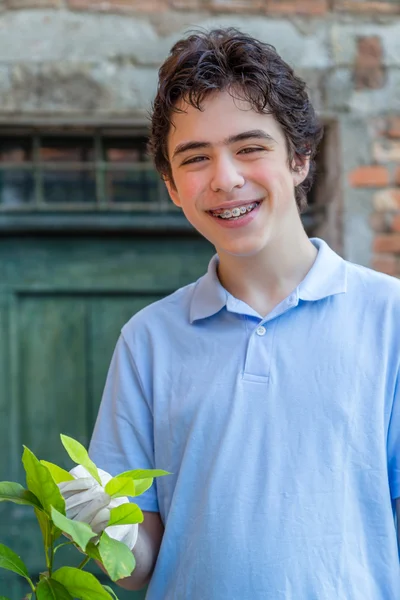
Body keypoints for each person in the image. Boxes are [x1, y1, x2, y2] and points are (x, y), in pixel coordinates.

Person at [60, 28, 400, 599]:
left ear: (298, 158)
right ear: (171, 186)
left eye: (249, 147)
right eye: (195, 158)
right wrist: (105, 527)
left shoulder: (388, 319)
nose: (225, 178)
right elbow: (136, 567)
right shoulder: (148, 341)